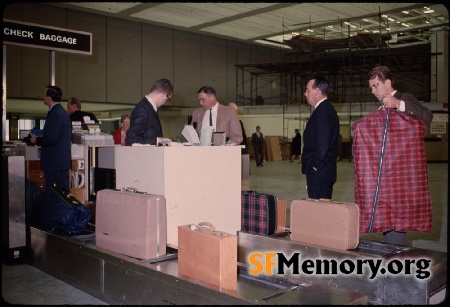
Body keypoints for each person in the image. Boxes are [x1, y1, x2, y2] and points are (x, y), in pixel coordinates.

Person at [353, 66, 433, 246]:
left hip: (401, 177)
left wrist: (397, 103)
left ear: (387, 83)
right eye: (371, 87)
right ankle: (394, 258)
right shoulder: (381, 107)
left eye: (376, 86)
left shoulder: (404, 98)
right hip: (386, 176)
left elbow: (427, 116)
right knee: (390, 221)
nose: (373, 91)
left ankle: (398, 262)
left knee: (397, 223)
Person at [301, 76, 339, 199]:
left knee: (319, 210)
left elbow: (323, 143)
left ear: (317, 92)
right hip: (322, 170)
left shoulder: (323, 111)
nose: (305, 93)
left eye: (308, 90)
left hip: (319, 172)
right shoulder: (324, 110)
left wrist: (315, 165)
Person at [30, 85, 72, 192]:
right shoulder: (62, 112)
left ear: (49, 98)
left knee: (55, 195)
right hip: (60, 162)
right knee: (62, 193)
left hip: (54, 162)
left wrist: (37, 140)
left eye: (44, 95)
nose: (43, 97)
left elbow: (52, 139)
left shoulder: (55, 114)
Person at [126, 79, 173, 145]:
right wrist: (158, 140)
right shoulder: (143, 110)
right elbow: (132, 139)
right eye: (167, 99)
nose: (165, 102)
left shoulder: (149, 108)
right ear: (164, 95)